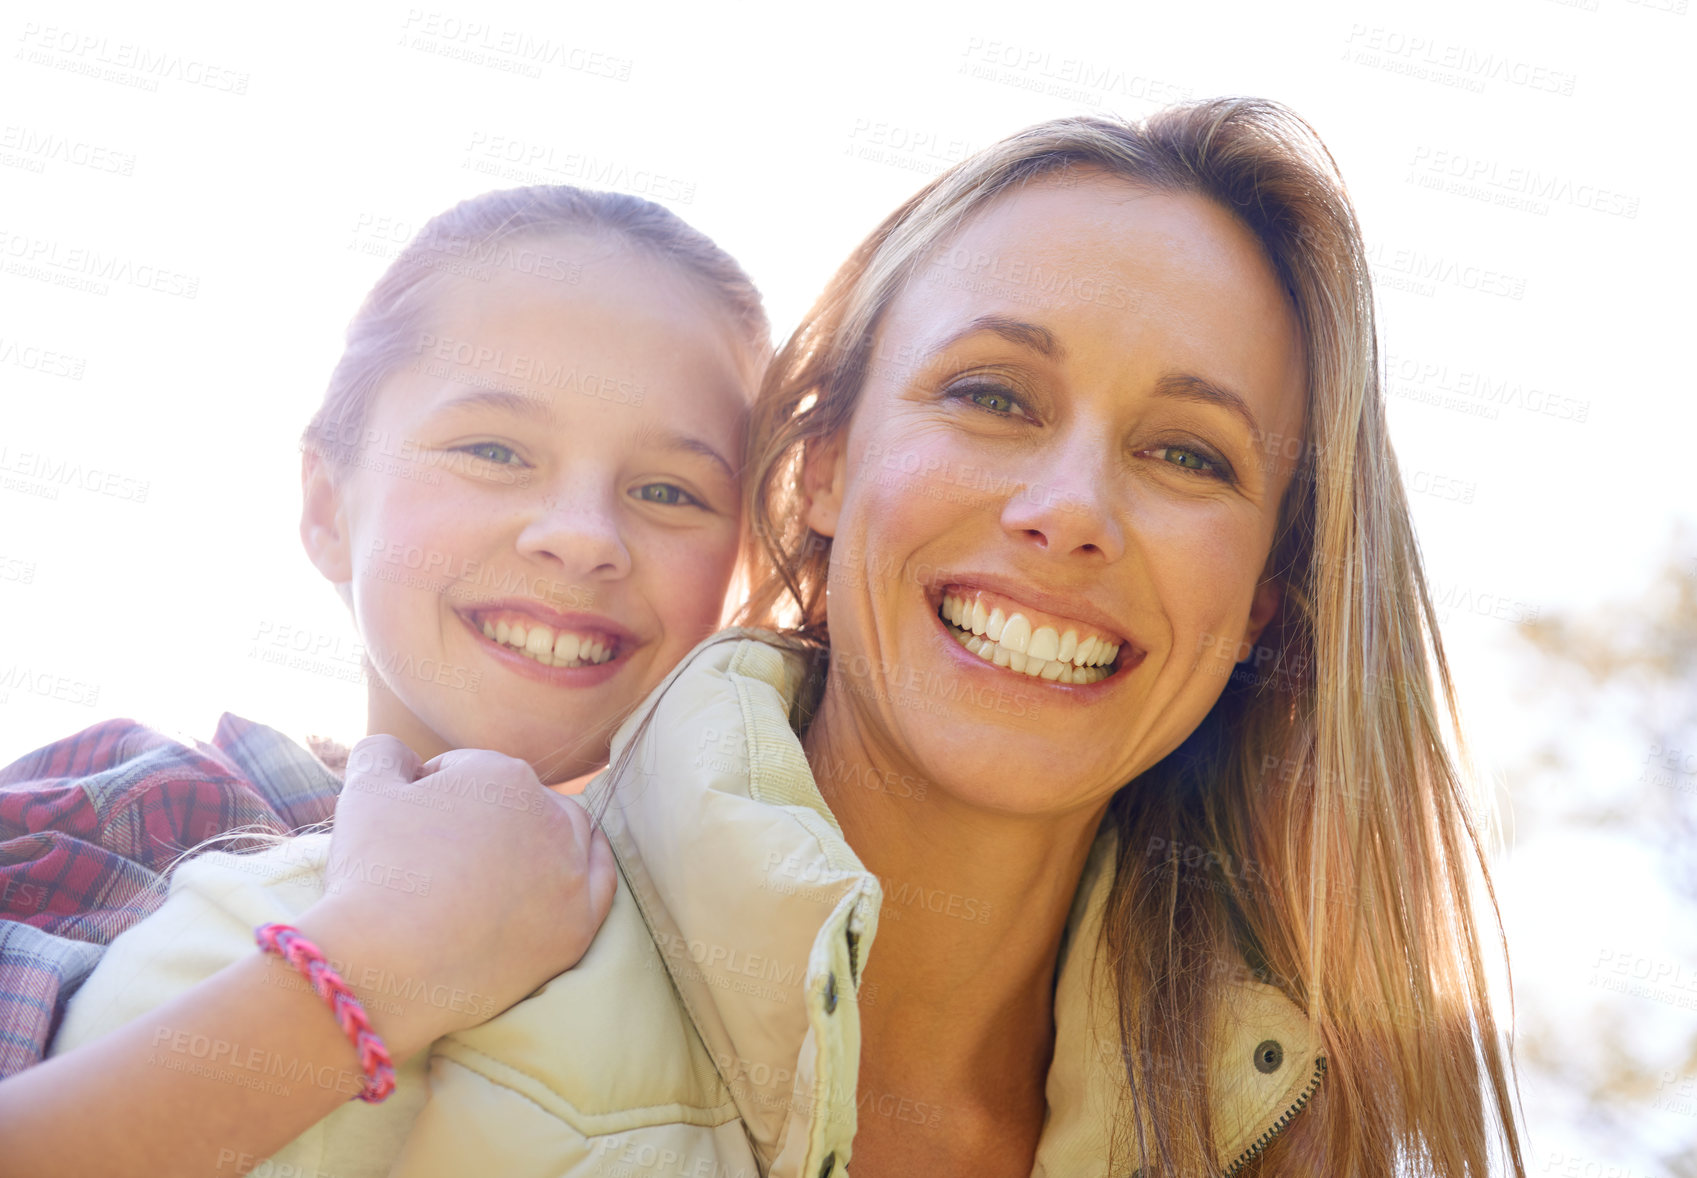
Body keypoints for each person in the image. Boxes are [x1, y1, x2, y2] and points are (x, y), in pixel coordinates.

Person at [45, 96, 1523, 1177]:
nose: (1071, 509)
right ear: (810, 476)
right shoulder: (307, 950)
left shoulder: (1278, 1134)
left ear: (1268, 591)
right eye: (992, 396)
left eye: (1190, 455)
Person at [0, 185, 772, 1173]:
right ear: (328, 505)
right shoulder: (137, 814)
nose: (582, 534)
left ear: (745, 570)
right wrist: (387, 955)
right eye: (494, 450)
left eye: (669, 490)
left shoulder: (760, 939)